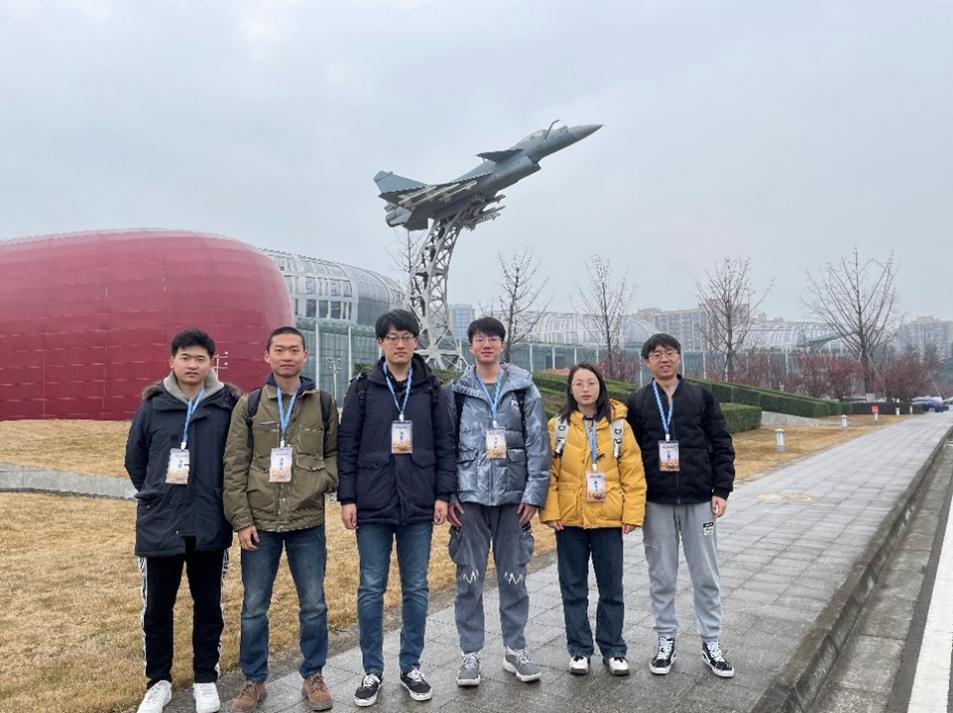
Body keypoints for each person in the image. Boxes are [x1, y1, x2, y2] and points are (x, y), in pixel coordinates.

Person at [337, 309, 456, 707]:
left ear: (416, 342)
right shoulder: (363, 388)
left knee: (416, 587)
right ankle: (371, 670)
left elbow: (444, 444)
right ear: (380, 343)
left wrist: (442, 494)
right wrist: (348, 497)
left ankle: (411, 666)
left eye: (406, 337)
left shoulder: (431, 389)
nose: (400, 344)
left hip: (419, 500)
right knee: (371, 587)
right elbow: (347, 445)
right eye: (392, 337)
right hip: (372, 501)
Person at [223, 326, 338, 712]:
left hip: (307, 520)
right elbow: (234, 464)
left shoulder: (323, 403)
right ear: (267, 357)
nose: (287, 356)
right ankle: (254, 680)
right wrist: (241, 520)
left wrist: (322, 480)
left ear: (305, 355)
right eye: (280, 350)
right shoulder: (250, 405)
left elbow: (335, 453)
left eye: (294, 350)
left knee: (314, 604)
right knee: (254, 606)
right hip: (261, 522)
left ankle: (313, 675)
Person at [125, 328, 239, 713]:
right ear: (171, 361)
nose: (192, 365)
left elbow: (236, 460)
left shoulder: (226, 405)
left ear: (212, 363)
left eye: (200, 358)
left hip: (209, 521)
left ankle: (205, 678)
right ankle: (158, 682)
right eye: (185, 358)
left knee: (208, 606)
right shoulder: (153, 406)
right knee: (158, 609)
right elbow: (135, 460)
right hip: (161, 522)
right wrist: (158, 493)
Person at [447, 316, 551, 687]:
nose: (486, 344)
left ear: (502, 345)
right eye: (480, 339)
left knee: (514, 576)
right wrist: (449, 494)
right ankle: (470, 653)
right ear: (470, 346)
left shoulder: (523, 389)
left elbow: (538, 443)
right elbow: (446, 445)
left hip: (513, 498)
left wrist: (534, 495)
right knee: (468, 578)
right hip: (469, 499)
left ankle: (515, 649)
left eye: (493, 338)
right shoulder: (456, 392)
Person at [625, 333, 736, 678]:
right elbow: (629, 456)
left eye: (670, 352)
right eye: (657, 354)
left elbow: (721, 443)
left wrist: (722, 489)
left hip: (699, 498)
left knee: (706, 574)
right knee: (661, 575)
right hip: (656, 501)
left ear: (679, 356)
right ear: (647, 361)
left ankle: (711, 641)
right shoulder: (638, 401)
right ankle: (666, 640)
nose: (664, 359)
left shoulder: (701, 396)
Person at [540, 362, 646, 677]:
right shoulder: (557, 426)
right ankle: (579, 650)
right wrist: (551, 512)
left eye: (591, 383)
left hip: (608, 520)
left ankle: (614, 649)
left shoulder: (619, 426)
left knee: (611, 588)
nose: (585, 389)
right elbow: (548, 474)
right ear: (570, 389)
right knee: (573, 588)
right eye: (579, 384)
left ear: (600, 386)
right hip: (569, 521)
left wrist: (632, 514)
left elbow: (633, 474)